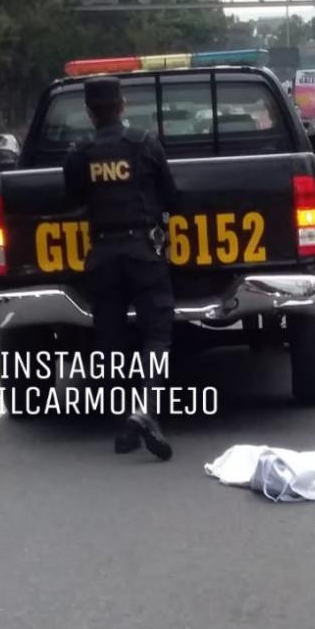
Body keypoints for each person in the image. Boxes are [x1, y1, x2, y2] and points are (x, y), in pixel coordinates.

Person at [63, 76, 177, 461]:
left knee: (110, 342)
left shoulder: (80, 152)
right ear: (122, 105)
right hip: (143, 250)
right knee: (157, 334)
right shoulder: (145, 144)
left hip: (102, 255)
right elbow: (171, 195)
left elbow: (73, 198)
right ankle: (144, 410)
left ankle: (128, 417)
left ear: (88, 112)